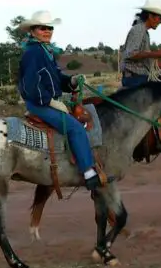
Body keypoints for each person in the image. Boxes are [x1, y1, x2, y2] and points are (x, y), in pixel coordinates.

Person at [16, 10, 101, 190]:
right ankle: (88, 171)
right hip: (39, 103)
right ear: (33, 31)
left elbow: (55, 77)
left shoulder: (45, 51)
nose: (47, 31)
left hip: (48, 100)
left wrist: (70, 81)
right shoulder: (33, 53)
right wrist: (49, 102)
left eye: (49, 28)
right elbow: (32, 85)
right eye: (42, 28)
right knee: (76, 128)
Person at [121, 0, 161, 167]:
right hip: (135, 79)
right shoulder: (138, 30)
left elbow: (147, 61)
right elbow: (130, 54)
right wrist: (156, 54)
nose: (160, 22)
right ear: (151, 16)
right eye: (159, 18)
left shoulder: (143, 31)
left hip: (140, 77)